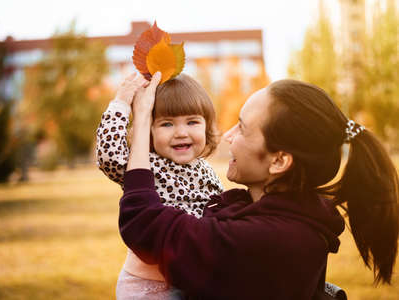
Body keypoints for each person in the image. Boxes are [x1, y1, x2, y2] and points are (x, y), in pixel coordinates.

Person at [119, 74, 399, 299]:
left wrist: (143, 119)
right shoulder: (288, 215)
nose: (228, 136)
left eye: (241, 128)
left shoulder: (265, 238)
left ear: (279, 161)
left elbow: (142, 222)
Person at [96, 72, 223, 299]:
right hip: (148, 287)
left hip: (190, 281)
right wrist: (122, 101)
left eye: (192, 121)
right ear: (149, 131)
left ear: (206, 126)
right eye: (166, 124)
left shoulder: (206, 171)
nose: (181, 133)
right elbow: (109, 155)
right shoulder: (145, 163)